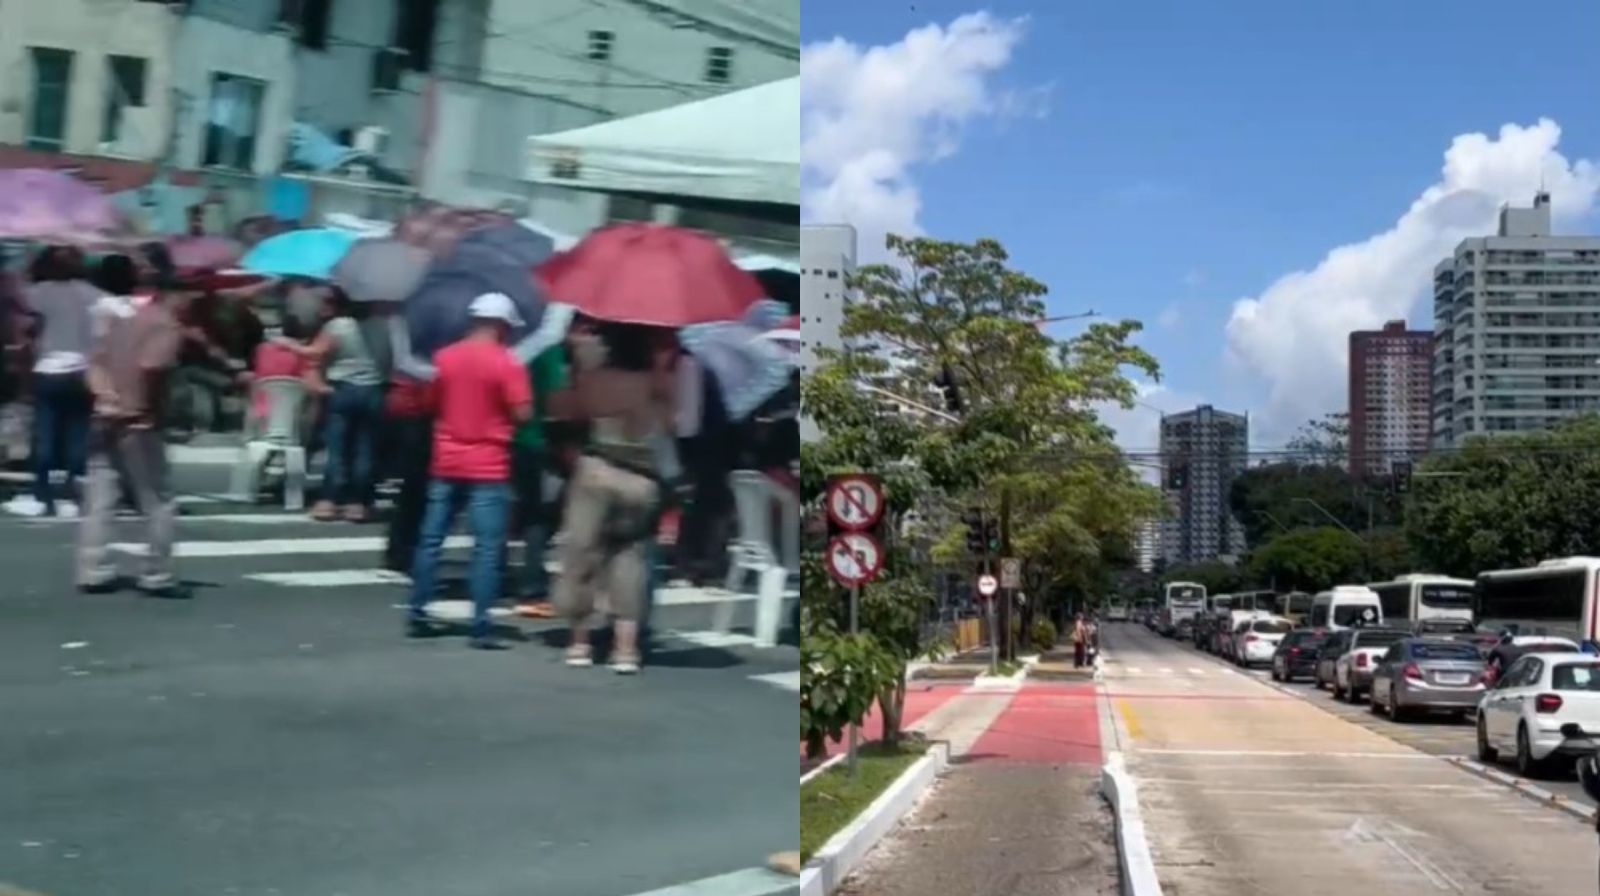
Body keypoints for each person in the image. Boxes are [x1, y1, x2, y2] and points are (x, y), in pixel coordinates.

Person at [406, 293, 532, 650]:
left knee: (431, 540)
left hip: (446, 458)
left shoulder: (445, 358)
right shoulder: (508, 364)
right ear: (503, 325)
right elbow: (523, 414)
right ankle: (480, 625)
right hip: (489, 463)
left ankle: (417, 611)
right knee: (488, 548)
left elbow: (431, 403)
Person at [556, 323, 680, 674]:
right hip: (641, 480)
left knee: (582, 556)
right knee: (631, 558)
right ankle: (625, 650)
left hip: (596, 471)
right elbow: (671, 429)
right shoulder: (657, 385)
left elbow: (569, 418)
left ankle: (579, 643)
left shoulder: (594, 379)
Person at [76, 254, 184, 597]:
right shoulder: (164, 323)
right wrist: (147, 408)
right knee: (157, 500)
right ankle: (156, 574)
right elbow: (153, 366)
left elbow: (93, 364)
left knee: (101, 496)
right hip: (139, 421)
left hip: (105, 416)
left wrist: (107, 398)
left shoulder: (112, 320)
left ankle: (94, 569)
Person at [4, 247, 97, 519]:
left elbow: (23, 326)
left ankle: (42, 493)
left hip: (48, 368)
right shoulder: (92, 295)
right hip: (83, 369)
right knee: (77, 434)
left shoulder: (38, 293)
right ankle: (72, 492)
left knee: (45, 435)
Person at [287, 288, 385, 522]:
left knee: (337, 448)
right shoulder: (382, 326)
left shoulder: (338, 326)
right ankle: (358, 504)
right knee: (365, 449)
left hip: (342, 388)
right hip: (373, 389)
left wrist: (288, 344)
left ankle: (329, 501)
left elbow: (315, 352)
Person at [509, 344, 572, 619]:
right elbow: (558, 403)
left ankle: (499, 573)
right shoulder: (551, 353)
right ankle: (532, 585)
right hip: (539, 442)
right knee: (541, 515)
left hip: (506, 438)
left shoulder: (515, 346)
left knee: (512, 509)